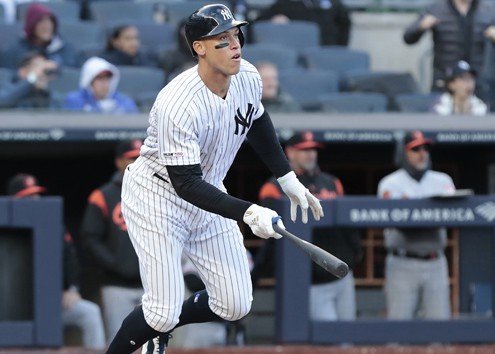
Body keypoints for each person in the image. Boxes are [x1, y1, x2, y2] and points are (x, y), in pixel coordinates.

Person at [104, 4, 323, 354]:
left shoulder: (248, 76)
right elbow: (186, 184)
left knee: (235, 304)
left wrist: (287, 177)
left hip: (208, 190)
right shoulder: (177, 102)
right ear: (199, 48)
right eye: (222, 39)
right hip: (157, 193)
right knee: (161, 310)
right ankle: (153, 326)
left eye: (235, 35)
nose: (235, 44)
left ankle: (159, 324)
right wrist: (250, 212)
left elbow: (258, 119)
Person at [253, 130, 362, 321]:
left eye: (313, 149)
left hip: (342, 274)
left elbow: (348, 227)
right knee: (325, 342)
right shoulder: (274, 187)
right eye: (304, 150)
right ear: (290, 152)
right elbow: (272, 240)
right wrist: (257, 275)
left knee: (347, 338)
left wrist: (354, 257)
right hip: (309, 281)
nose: (311, 154)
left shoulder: (332, 182)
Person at [6, 173, 106, 349]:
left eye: (36, 194)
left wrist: (73, 288)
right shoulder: (7, 232)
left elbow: (70, 258)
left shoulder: (53, 225)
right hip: (16, 309)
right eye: (28, 196)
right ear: (15, 200)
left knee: (90, 313)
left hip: (51, 303)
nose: (35, 200)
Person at [377, 131, 456, 320]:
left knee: (439, 328)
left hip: (436, 261)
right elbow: (396, 223)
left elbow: (455, 215)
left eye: (425, 148)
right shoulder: (390, 183)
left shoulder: (443, 180)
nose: (422, 153)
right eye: (415, 149)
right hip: (402, 261)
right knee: (399, 328)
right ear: (403, 154)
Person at [79, 139, 145, 345]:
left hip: (152, 285)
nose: (135, 162)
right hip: (116, 286)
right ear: (118, 162)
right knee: (119, 342)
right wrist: (116, 264)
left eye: (139, 157)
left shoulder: (157, 193)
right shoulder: (103, 195)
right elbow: (90, 238)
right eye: (130, 158)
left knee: (153, 345)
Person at [403, 0, 495, 95]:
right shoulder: (436, 9)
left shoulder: (487, 10)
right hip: (444, 81)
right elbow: (408, 38)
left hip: (475, 83)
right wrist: (421, 27)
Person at [2, 3, 78, 70]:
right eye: (41, 22)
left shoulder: (66, 50)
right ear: (31, 26)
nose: (47, 26)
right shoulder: (15, 51)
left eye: (50, 21)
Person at [255, 0, 352, 46]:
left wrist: (339, 49)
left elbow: (344, 26)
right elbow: (258, 22)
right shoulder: (285, 5)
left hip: (327, 52)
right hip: (296, 54)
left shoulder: (334, 5)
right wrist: (273, 19)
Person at [63, 57, 139, 114]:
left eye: (107, 79)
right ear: (89, 81)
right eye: (99, 79)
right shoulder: (74, 100)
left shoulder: (123, 101)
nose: (105, 83)